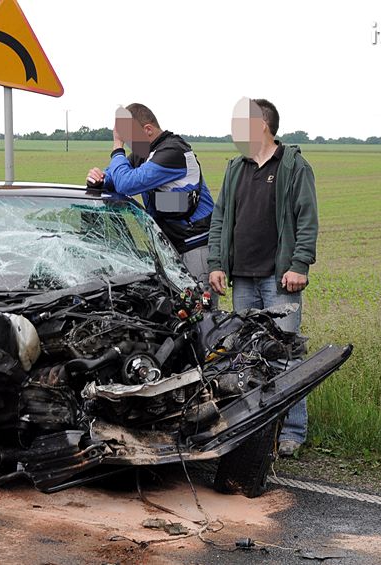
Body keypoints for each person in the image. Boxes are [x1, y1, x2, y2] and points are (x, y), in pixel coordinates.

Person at [207, 98, 319, 457]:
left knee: (285, 355)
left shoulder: (293, 166)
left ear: (262, 126)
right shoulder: (235, 168)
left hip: (277, 278)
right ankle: (252, 431)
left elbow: (307, 218)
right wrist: (217, 263)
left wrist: (299, 265)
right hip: (242, 278)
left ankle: (293, 432)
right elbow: (221, 218)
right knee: (247, 357)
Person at [86, 104, 215, 299]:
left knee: (200, 313)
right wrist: (98, 178)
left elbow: (127, 183)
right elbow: (113, 179)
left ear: (147, 130)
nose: (127, 143)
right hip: (169, 248)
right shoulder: (144, 154)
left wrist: (116, 147)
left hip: (194, 247)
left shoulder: (173, 152)